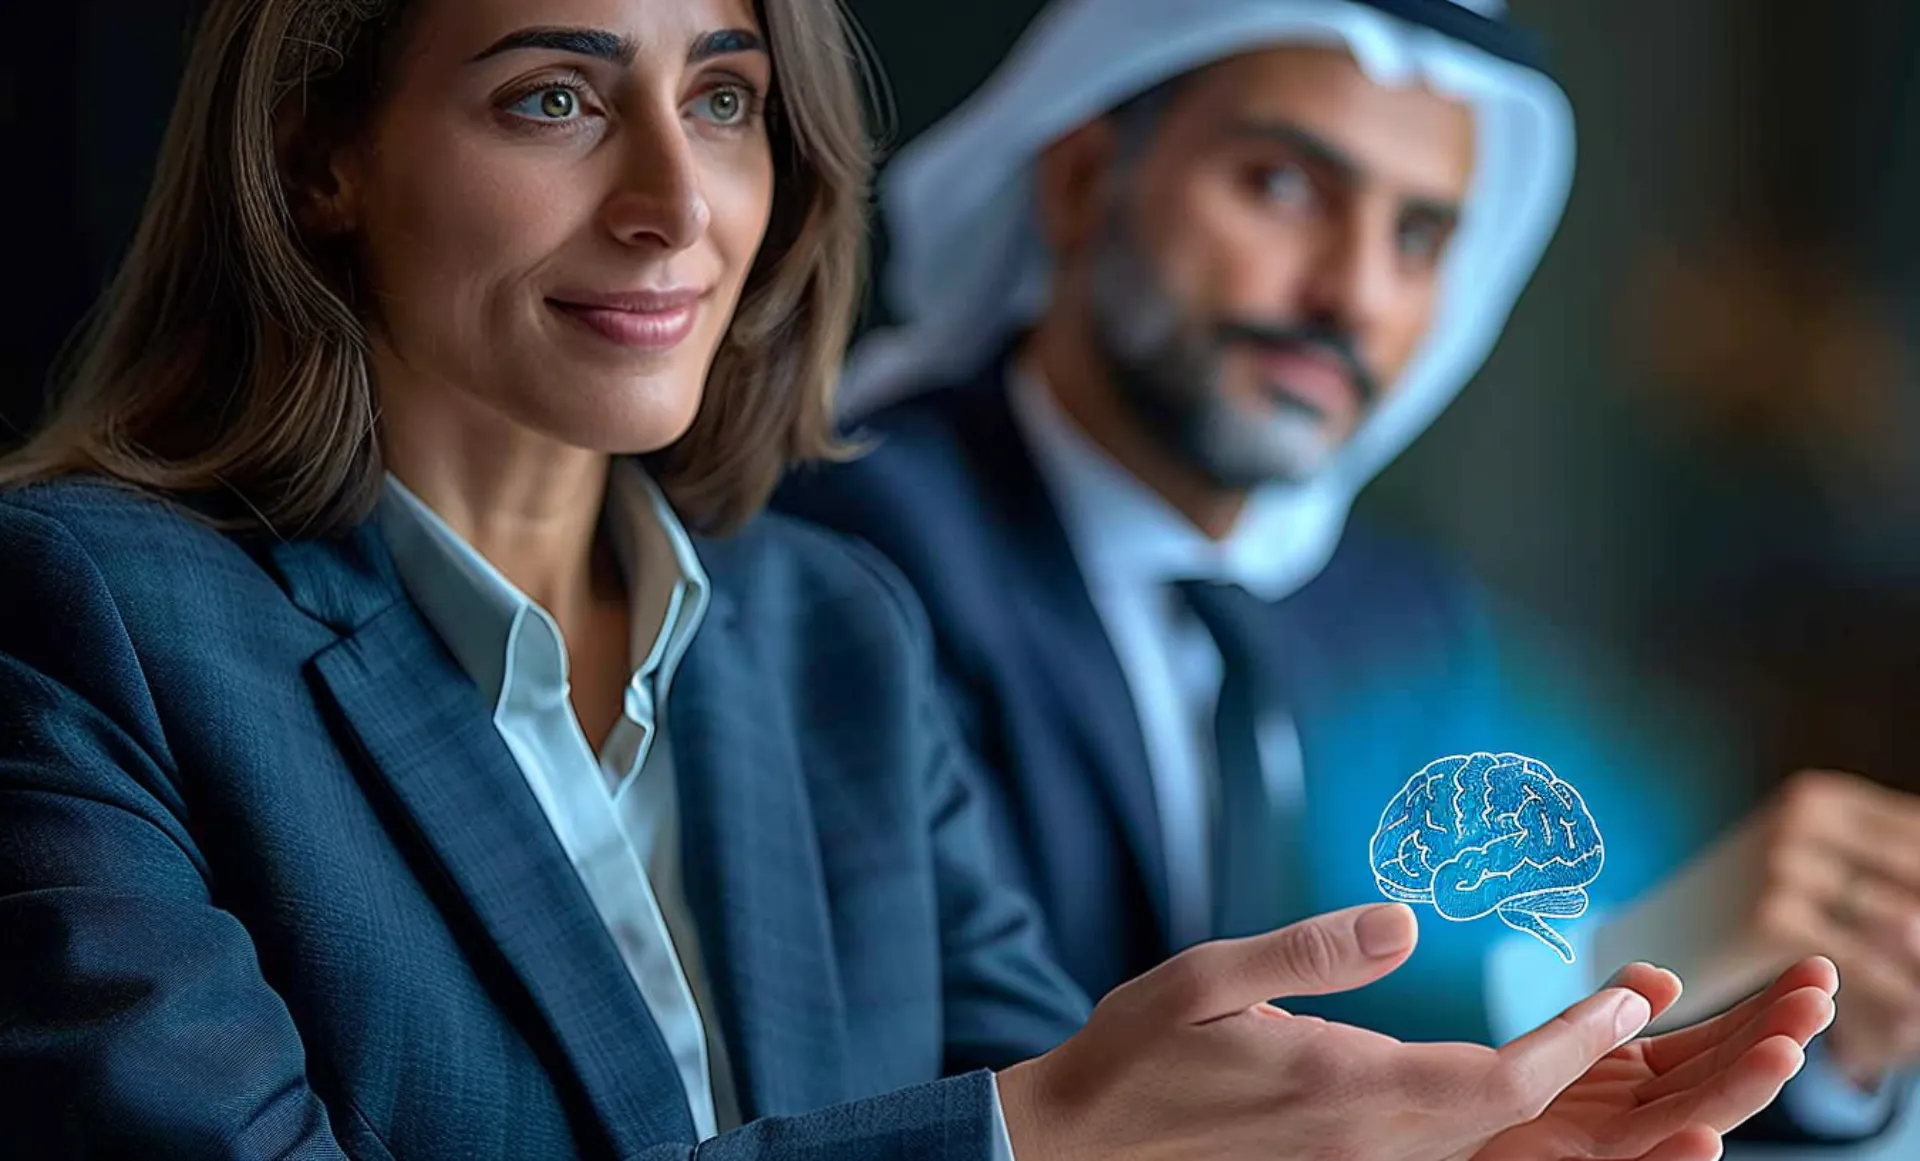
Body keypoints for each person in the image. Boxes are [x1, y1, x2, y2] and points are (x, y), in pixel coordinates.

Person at [0, 0, 1838, 1158]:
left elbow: (1113, 1135)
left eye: (722, 100)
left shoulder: (826, 643)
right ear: (323, 155)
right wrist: (1018, 1138)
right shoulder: (86, 627)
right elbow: (1044, 1126)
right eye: (555, 97)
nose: (674, 204)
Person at [774, 0, 1916, 1146]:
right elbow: (1025, 1107)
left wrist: (1816, 1023)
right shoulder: (845, 566)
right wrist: (1616, 967)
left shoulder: (1387, 614)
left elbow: (1466, 1034)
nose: (1352, 294)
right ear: (1077, 182)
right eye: (1281, 185)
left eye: (1419, 238)